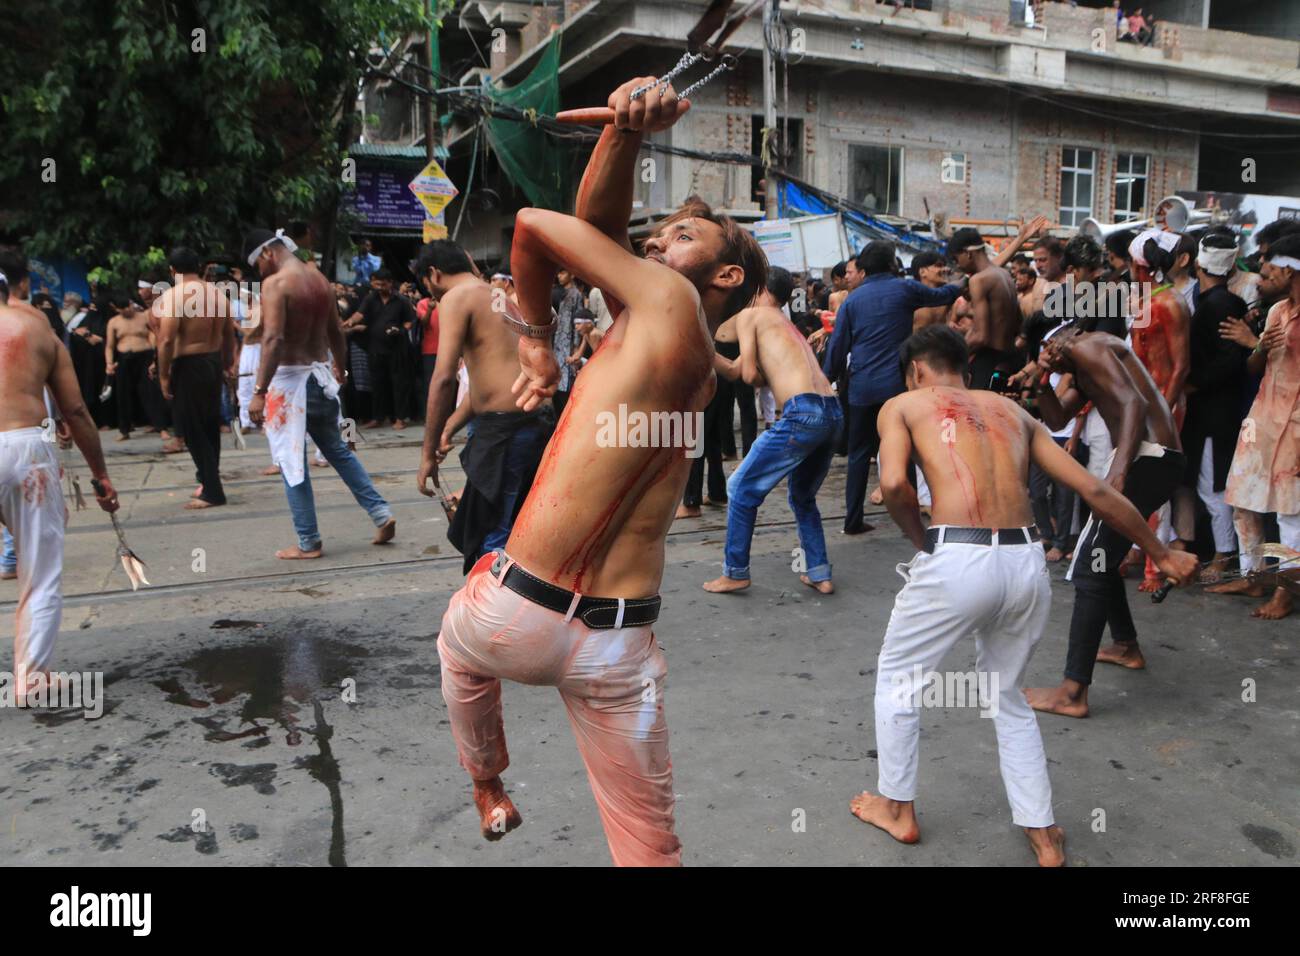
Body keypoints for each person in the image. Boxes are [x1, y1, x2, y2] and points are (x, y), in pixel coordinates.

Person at [434, 75, 765, 866]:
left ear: (727, 277)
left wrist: (539, 333)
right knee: (649, 850)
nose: (656, 245)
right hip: (620, 643)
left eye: (682, 237)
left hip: (514, 612)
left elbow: (535, 226)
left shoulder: (663, 306)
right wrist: (625, 135)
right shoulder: (685, 351)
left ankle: (488, 784)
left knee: (456, 647)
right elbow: (602, 234)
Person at [850, 325, 1197, 865]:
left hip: (957, 556)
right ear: (964, 367)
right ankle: (1042, 832)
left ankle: (897, 807)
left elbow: (894, 485)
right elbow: (1095, 489)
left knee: (899, 683)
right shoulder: (1012, 412)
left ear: (916, 370)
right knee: (1006, 697)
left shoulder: (904, 404)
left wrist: (922, 543)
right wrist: (1164, 551)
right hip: (1026, 561)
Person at [1025, 324, 1188, 717]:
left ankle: (1072, 691)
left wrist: (1118, 472)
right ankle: (1126, 646)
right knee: (1102, 560)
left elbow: (1133, 403)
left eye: (1049, 346)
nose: (1048, 353)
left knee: (1088, 570)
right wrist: (1041, 381)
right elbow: (1057, 417)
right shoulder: (1082, 365)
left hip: (1147, 458)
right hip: (1153, 459)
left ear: (1069, 332)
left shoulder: (1088, 345)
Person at [0, 248, 119, 697]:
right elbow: (74, 409)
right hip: (25, 449)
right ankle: (31, 678)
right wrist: (100, 476)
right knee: (40, 570)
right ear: (17, 287)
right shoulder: (37, 328)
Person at [244, 228, 396, 559]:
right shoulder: (320, 281)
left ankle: (308, 541)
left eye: (258, 265)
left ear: (268, 254)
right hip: (319, 377)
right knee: (339, 452)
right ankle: (382, 513)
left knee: (290, 461)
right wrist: (340, 368)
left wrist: (258, 391)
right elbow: (335, 332)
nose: (261, 273)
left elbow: (273, 339)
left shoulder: (276, 284)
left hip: (289, 385)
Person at [415, 239, 553, 571]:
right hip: (534, 422)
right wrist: (448, 428)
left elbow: (444, 378)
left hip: (507, 431)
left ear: (433, 274)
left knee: (493, 537)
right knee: (517, 532)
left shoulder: (456, 298)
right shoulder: (497, 296)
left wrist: (426, 454)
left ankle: (495, 619)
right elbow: (487, 386)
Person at [703, 272, 841, 595]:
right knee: (802, 497)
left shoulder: (751, 315)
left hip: (802, 414)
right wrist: (704, 349)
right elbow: (738, 368)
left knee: (739, 487)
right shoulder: (783, 323)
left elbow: (750, 375)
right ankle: (819, 572)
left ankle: (735, 571)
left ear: (759, 289)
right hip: (833, 412)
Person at [823, 240, 964, 534]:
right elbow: (944, 294)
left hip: (860, 388)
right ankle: (908, 521)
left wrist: (825, 383)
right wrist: (965, 280)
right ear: (892, 265)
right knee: (906, 451)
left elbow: (837, 349)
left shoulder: (852, 301)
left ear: (863, 269)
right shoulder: (905, 289)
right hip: (896, 389)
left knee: (859, 455)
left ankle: (852, 520)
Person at [1209, 234, 1300, 619]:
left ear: (1289, 269)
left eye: (1268, 266)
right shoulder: (1278, 309)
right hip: (1262, 418)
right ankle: (1253, 576)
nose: (1260, 274)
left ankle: (1285, 592)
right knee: (1242, 500)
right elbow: (1254, 367)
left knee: (1290, 517)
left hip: (1296, 427)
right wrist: (1258, 345)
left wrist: (1254, 340)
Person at [1180, 232, 1249, 575]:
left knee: (1213, 487)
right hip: (1207, 411)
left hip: (1214, 414)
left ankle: (1224, 557)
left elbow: (1228, 361)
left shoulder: (1221, 304)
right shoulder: (1215, 301)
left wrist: (1191, 385)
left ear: (1197, 263)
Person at [155, 247, 235, 510]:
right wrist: (227, 363)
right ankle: (207, 480)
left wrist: (164, 374)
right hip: (211, 361)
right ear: (198, 267)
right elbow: (228, 335)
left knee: (192, 427)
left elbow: (166, 340)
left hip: (188, 364)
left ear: (172, 270)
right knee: (209, 424)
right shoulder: (217, 294)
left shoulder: (175, 296)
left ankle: (212, 490)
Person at [949, 228, 1023, 390]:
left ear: (968, 254)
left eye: (956, 259)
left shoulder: (979, 280)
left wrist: (950, 359)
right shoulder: (1005, 275)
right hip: (1010, 359)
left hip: (987, 361)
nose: (958, 266)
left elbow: (981, 336)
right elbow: (1018, 324)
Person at [348, 269, 416, 430]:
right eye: (376, 283)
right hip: (376, 348)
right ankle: (378, 417)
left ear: (390, 283)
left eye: (382, 284)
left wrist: (400, 331)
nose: (379, 287)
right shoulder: (371, 298)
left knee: (399, 384)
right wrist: (348, 323)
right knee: (377, 385)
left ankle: (400, 418)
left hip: (397, 349)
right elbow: (359, 314)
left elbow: (410, 321)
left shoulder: (401, 300)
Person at [104, 294, 161, 442]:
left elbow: (154, 336)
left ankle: (161, 427)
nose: (128, 310)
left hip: (145, 356)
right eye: (123, 308)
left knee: (150, 391)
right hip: (124, 357)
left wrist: (155, 358)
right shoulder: (114, 322)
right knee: (123, 395)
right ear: (116, 309)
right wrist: (109, 363)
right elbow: (109, 346)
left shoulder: (144, 317)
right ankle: (124, 429)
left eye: (129, 306)